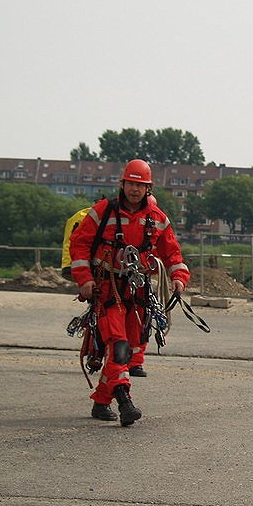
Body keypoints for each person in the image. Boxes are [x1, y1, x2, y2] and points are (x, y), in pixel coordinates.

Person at [69, 159, 190, 426]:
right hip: (107, 291)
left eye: (140, 185)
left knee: (128, 347)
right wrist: (84, 279)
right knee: (118, 344)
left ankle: (102, 401)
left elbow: (172, 252)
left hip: (137, 294)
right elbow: (79, 245)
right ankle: (124, 400)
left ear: (148, 188)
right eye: (131, 184)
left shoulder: (157, 218)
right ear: (122, 184)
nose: (135, 189)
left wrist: (179, 277)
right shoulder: (103, 212)